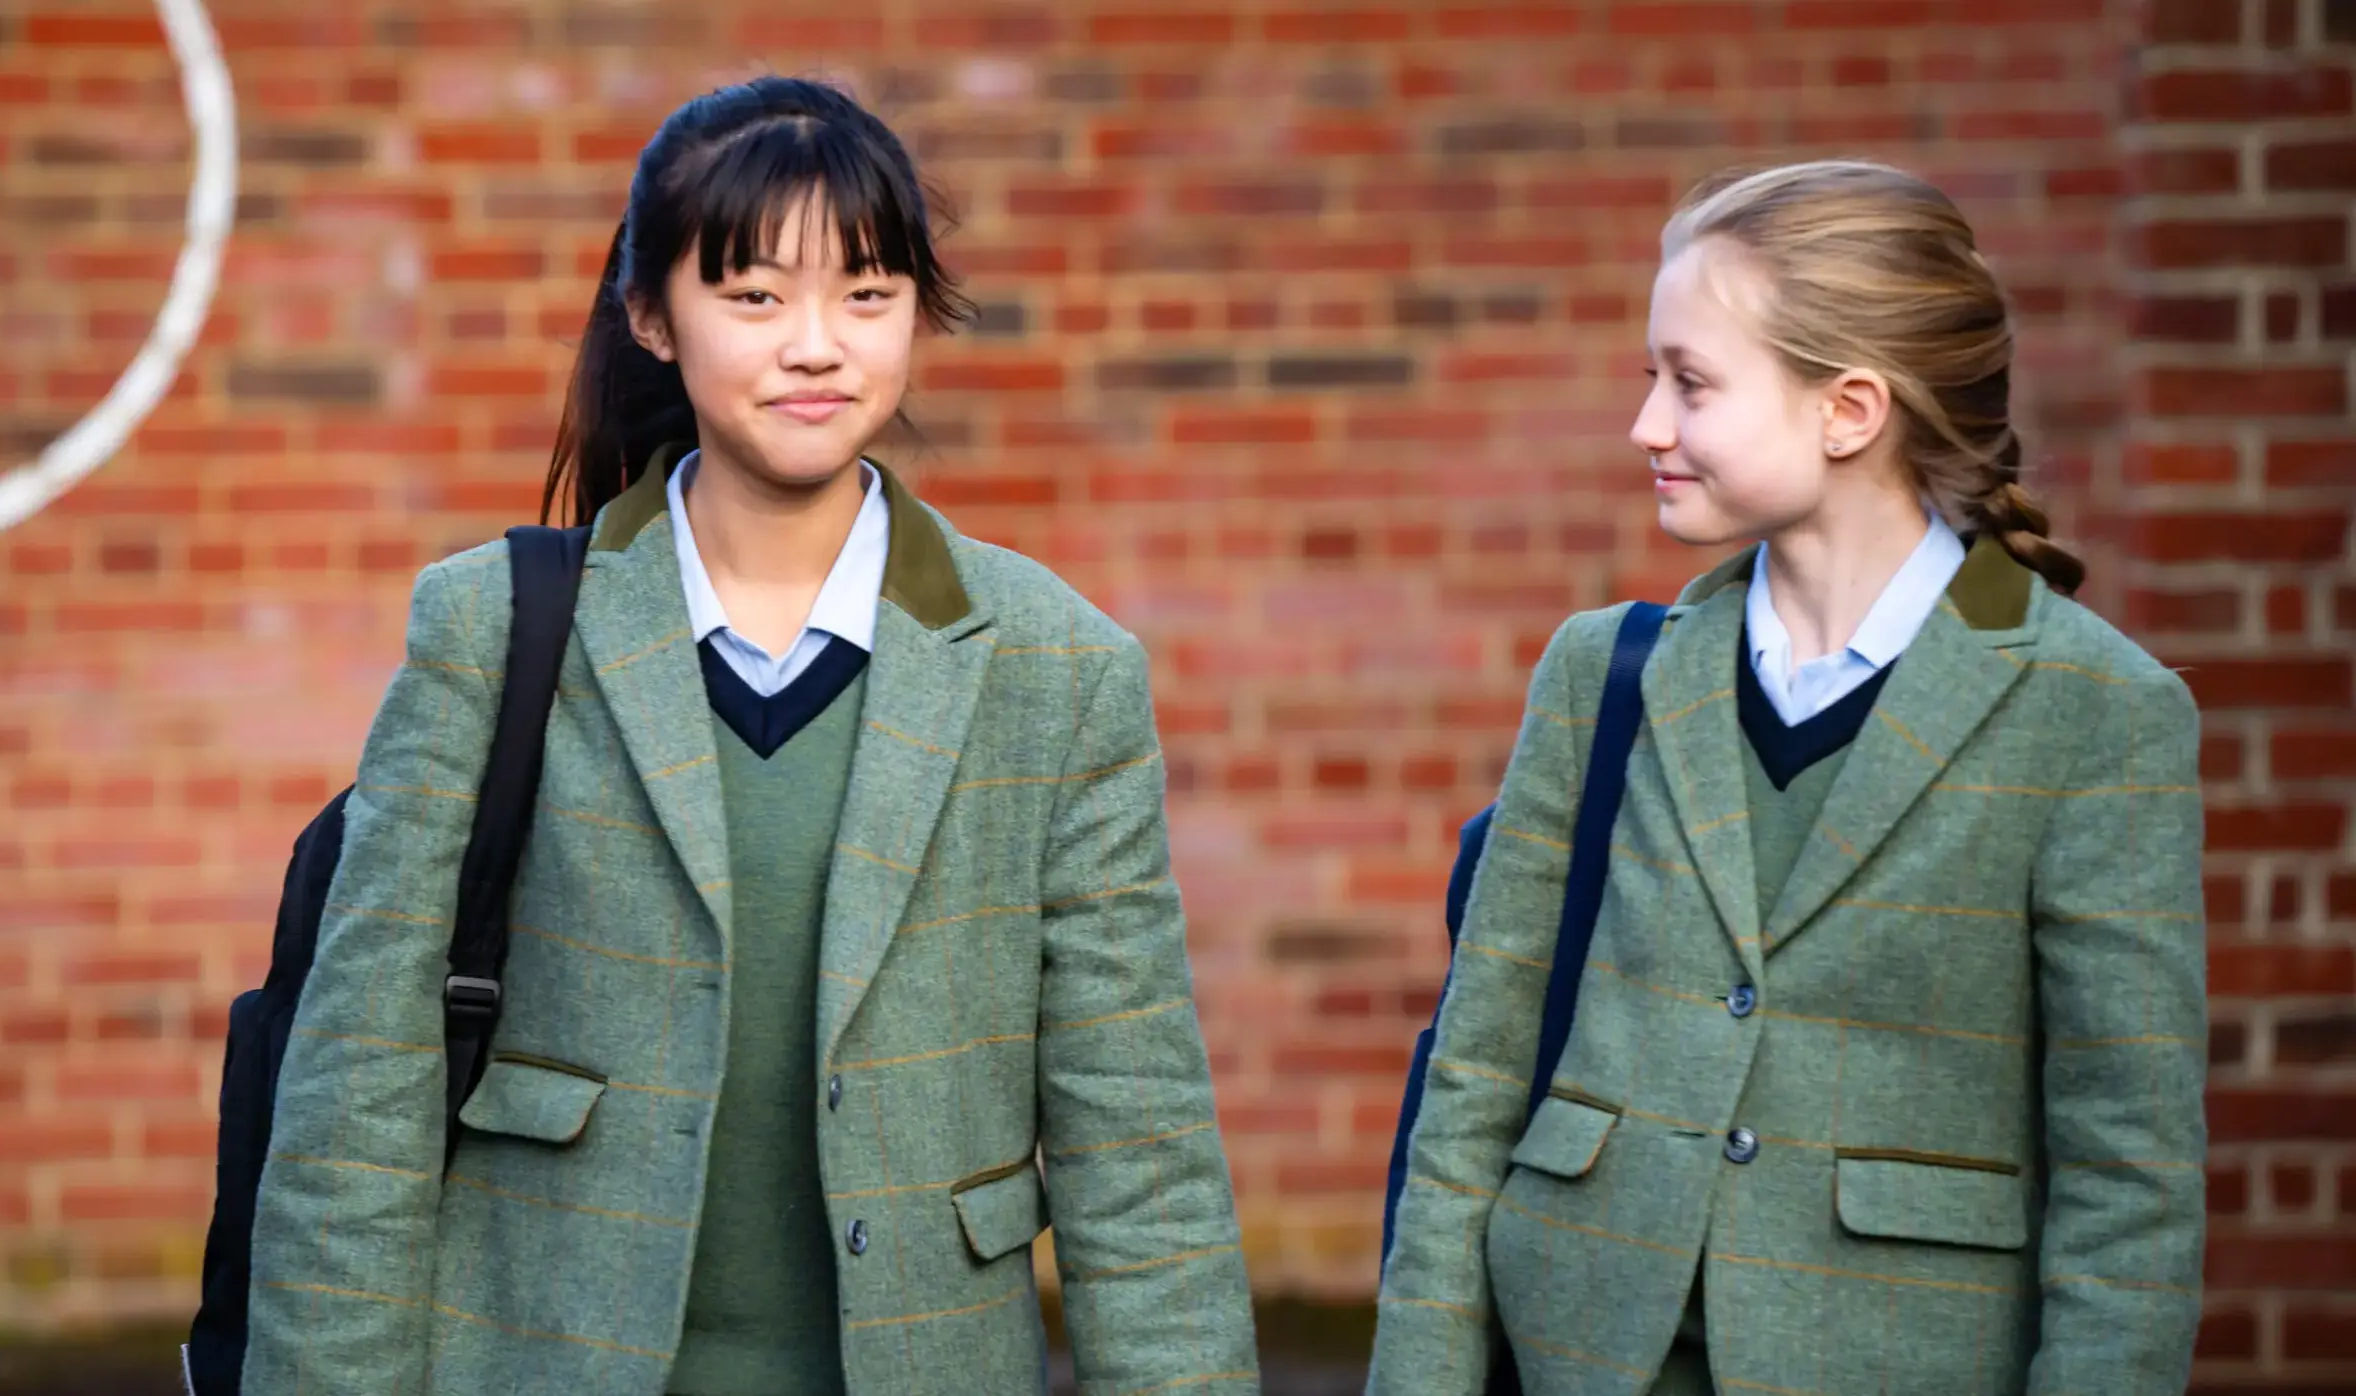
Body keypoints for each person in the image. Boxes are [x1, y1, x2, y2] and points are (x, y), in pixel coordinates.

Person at [244, 75, 1258, 1396]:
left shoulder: (1059, 671)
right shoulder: (492, 631)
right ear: (652, 316)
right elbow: (356, 1107)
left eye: (868, 293)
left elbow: (1141, 1147)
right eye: (756, 295)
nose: (817, 344)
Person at [1370, 159, 2207, 1396]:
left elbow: (2126, 1180)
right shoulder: (1603, 674)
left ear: (1849, 409)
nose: (1647, 424)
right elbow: (1474, 1080)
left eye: (1690, 383)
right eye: (1648, 378)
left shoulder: (2095, 711)